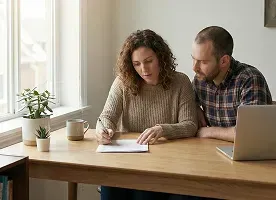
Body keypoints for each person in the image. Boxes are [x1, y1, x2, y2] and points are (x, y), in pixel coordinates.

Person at [95, 29, 198, 200]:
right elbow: (106, 116)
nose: (144, 69)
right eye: (136, 64)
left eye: (149, 61)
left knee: (144, 193)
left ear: (161, 58)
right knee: (110, 185)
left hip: (167, 163)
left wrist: (163, 129)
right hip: (128, 161)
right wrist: (102, 130)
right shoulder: (122, 82)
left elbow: (190, 125)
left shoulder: (180, 82)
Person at [192, 26, 272, 142]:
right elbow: (185, 102)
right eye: (193, 59)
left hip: (251, 156)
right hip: (212, 151)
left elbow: (250, 133)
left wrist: (209, 131)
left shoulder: (250, 79)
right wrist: (194, 107)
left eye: (203, 62)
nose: (194, 68)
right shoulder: (201, 78)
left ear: (224, 61)